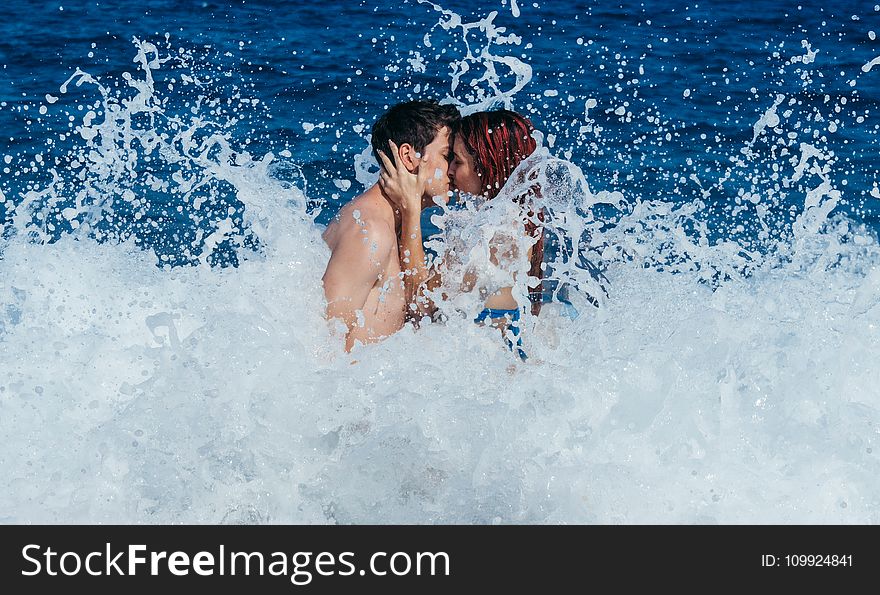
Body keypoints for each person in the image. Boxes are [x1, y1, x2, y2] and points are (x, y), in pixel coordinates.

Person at [377, 109, 543, 359]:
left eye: (457, 160)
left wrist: (410, 210)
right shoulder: (515, 218)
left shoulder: (498, 235)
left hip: (488, 372)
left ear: (487, 164)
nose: (450, 171)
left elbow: (419, 303)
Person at [322, 100, 460, 351]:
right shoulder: (371, 231)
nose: (453, 169)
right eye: (447, 156)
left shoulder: (391, 225)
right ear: (409, 156)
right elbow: (323, 340)